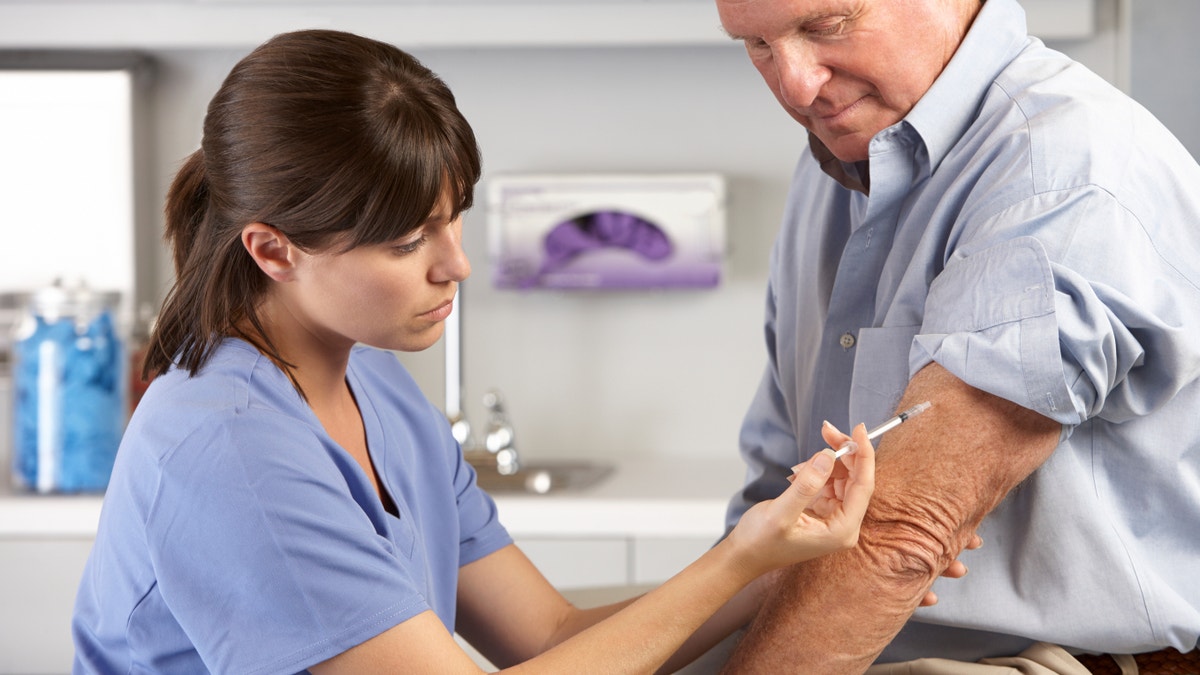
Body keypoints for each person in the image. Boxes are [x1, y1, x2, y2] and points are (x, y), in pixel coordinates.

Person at [69, 28, 884, 675]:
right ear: (273, 250)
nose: (455, 263)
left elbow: (549, 634)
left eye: (454, 216)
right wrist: (742, 556)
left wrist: (781, 565)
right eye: (404, 242)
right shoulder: (231, 448)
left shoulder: (373, 381)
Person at [714, 0, 1200, 672]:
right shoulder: (831, 171)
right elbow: (774, 511)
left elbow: (901, 535)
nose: (795, 84)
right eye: (757, 46)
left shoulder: (1058, 170)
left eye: (826, 28)